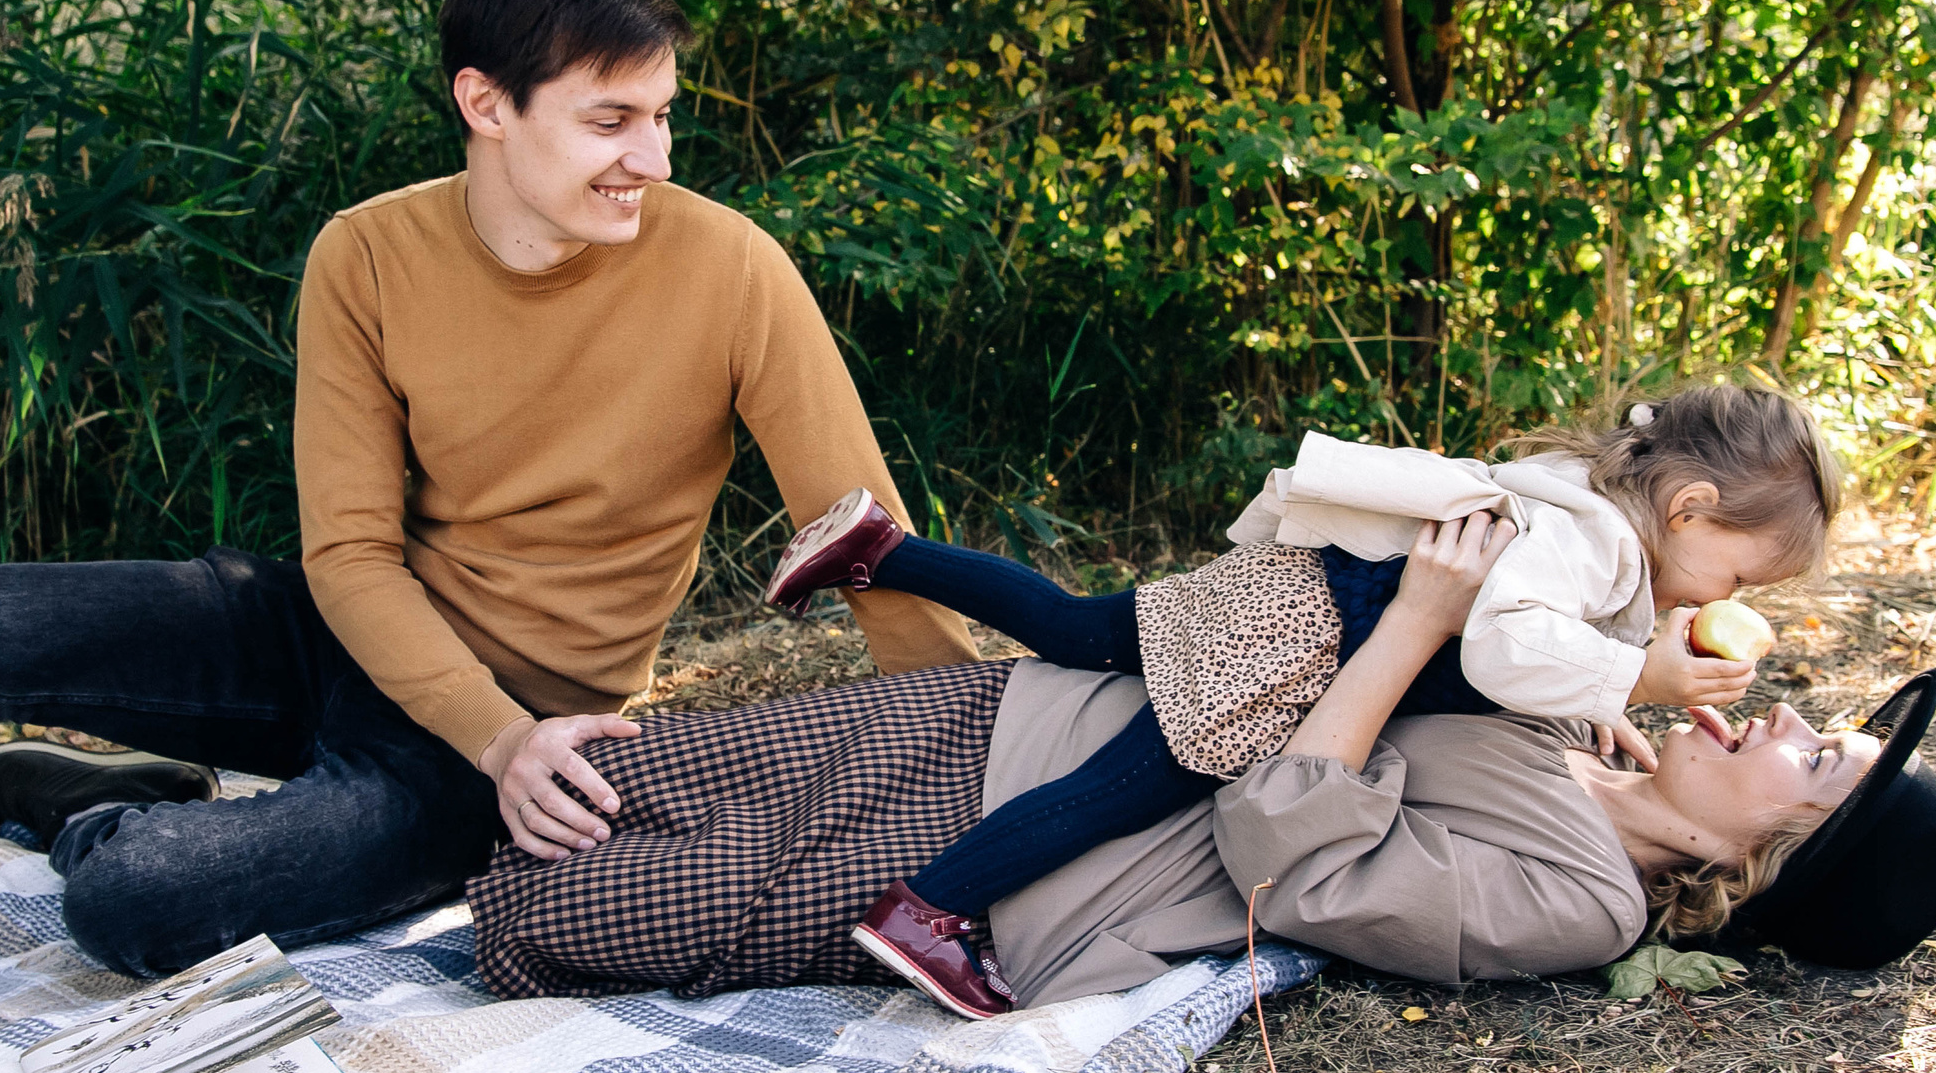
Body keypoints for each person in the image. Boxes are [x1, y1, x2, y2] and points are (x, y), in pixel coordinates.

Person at [0, 0, 974, 976]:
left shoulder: (728, 270)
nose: (650, 159)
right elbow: (348, 551)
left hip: (519, 742)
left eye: (659, 118)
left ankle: (104, 804)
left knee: (138, 902)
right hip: (340, 632)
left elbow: (862, 536)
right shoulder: (366, 254)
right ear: (485, 104)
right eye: (610, 121)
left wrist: (981, 759)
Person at [467, 512, 1936, 1011]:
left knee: (551, 914)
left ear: (1744, 863)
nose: (1789, 721)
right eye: (1823, 725)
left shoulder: (1577, 902)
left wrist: (1414, 628)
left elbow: (1292, 851)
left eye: (1815, 764)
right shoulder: (1578, 726)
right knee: (627, 776)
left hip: (1056, 863)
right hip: (1018, 714)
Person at [759, 386, 1840, 1014]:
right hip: (1297, 651)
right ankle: (928, 912)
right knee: (1123, 790)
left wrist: (1610, 689)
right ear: (1690, 508)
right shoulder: (1598, 546)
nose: (1728, 600)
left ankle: (880, 548)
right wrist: (1635, 677)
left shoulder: (1590, 505)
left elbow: (1535, 639)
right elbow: (1510, 645)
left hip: (1293, 604)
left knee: (1077, 627)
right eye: (1739, 574)